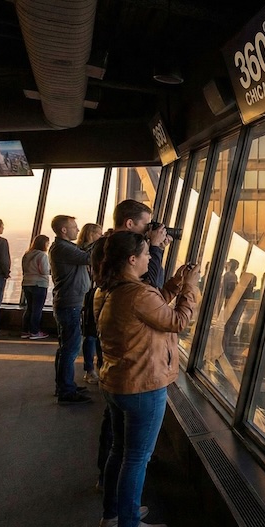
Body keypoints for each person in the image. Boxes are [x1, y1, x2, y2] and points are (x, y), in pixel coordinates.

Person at [94, 231, 198, 527]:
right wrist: (191, 287)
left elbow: (151, 309)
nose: (150, 257)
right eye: (146, 253)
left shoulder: (111, 290)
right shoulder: (137, 294)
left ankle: (113, 514)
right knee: (137, 458)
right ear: (132, 260)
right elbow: (178, 321)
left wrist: (174, 285)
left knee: (119, 452)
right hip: (142, 385)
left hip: (119, 382)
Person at [90, 200, 170, 489]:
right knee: (131, 454)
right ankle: (126, 521)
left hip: (115, 359)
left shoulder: (106, 255)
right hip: (135, 372)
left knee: (118, 443)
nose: (148, 233)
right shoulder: (125, 269)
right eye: (144, 226)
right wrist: (157, 248)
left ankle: (110, 494)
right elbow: (152, 288)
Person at [48, 215, 92, 405]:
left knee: (66, 347)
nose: (77, 230)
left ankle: (64, 385)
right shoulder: (63, 248)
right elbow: (89, 258)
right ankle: (66, 390)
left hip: (68, 302)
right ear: (64, 230)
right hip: (70, 303)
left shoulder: (64, 248)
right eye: (74, 227)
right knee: (71, 349)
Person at [77, 223, 104, 384]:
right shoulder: (89, 253)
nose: (101, 237)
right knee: (93, 335)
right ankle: (93, 369)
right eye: (99, 234)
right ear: (91, 234)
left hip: (88, 294)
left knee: (91, 335)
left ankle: (92, 369)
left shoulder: (79, 250)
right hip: (91, 294)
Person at [20, 235, 51, 340]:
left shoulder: (27, 254)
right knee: (37, 309)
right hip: (39, 284)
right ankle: (34, 331)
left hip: (27, 283)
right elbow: (44, 271)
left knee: (29, 308)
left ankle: (25, 330)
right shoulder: (42, 255)